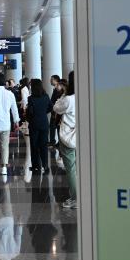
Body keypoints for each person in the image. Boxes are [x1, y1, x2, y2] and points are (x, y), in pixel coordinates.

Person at [54, 71, 77, 209]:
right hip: (84, 136)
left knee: (71, 169)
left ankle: (76, 198)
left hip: (68, 137)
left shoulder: (69, 99)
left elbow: (56, 107)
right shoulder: (88, 95)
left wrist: (64, 93)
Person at [26, 79, 53, 174]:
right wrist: (43, 113)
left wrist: (29, 117)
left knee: (34, 145)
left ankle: (36, 166)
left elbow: (30, 112)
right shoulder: (46, 96)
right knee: (43, 145)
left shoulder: (30, 98)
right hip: (44, 123)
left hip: (34, 124)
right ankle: (45, 165)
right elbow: (51, 107)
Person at [49, 75, 62, 146]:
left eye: (51, 79)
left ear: (56, 80)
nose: (50, 81)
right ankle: (54, 141)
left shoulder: (58, 89)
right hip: (54, 111)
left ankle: (56, 142)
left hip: (56, 111)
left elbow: (56, 100)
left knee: (56, 126)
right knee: (53, 126)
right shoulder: (55, 89)